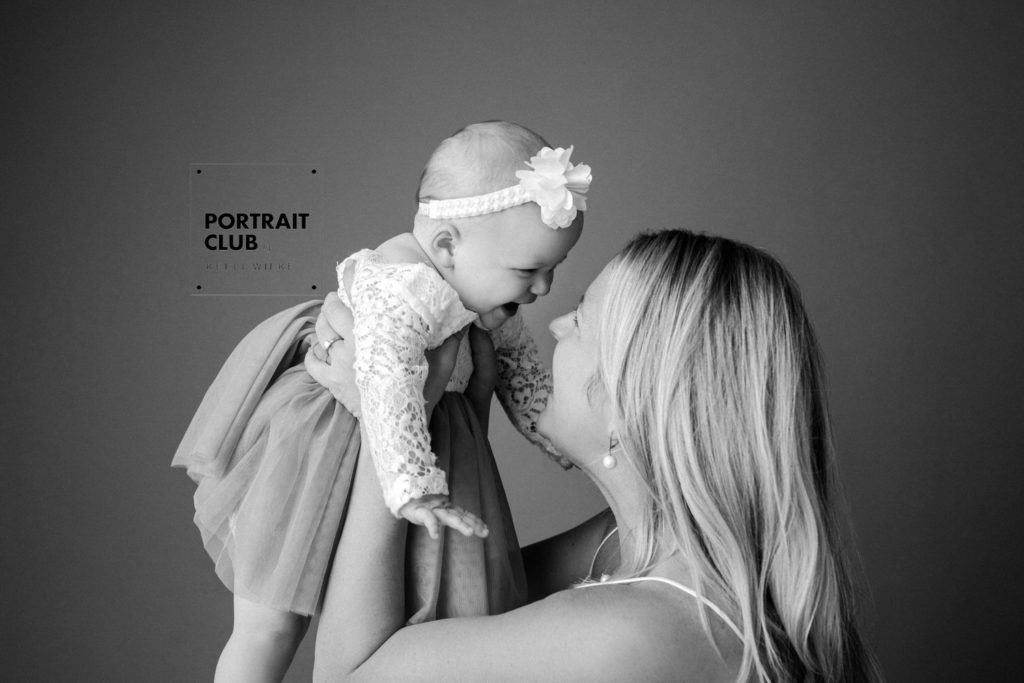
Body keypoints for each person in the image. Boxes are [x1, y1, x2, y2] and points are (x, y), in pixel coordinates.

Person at [308, 229, 881, 682]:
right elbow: (460, 601)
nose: (555, 324)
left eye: (581, 321)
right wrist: (450, 426)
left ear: (628, 408)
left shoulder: (630, 633)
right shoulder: (631, 543)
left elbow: (347, 673)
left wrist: (385, 418)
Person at [172, 121, 591, 682]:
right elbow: (389, 383)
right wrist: (415, 485)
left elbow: (522, 372)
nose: (544, 288)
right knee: (269, 625)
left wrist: (558, 437)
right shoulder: (402, 284)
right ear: (446, 244)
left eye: (553, 269)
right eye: (528, 270)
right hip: (329, 444)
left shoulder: (484, 288)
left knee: (414, 616)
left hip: (415, 449)